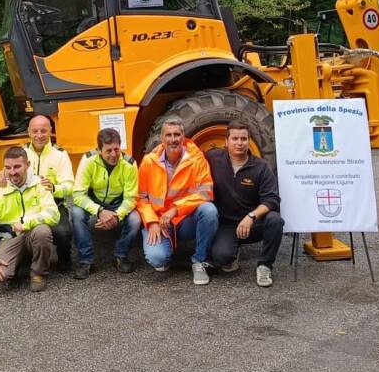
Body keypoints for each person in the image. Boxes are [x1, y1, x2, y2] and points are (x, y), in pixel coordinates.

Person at [137, 118, 218, 285]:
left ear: (183, 137)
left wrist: (175, 209)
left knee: (209, 211)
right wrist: (152, 222)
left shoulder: (197, 159)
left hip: (184, 220)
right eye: (168, 135)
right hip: (159, 221)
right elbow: (141, 198)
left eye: (177, 134)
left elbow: (206, 193)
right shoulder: (148, 162)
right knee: (157, 258)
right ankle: (165, 250)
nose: (173, 139)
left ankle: (198, 261)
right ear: (161, 138)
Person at [206, 121, 284, 288]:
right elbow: (189, 155)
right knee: (221, 258)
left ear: (249, 141)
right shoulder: (213, 158)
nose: (239, 143)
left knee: (275, 220)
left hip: (253, 223)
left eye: (244, 138)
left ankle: (265, 265)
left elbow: (272, 199)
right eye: (235, 138)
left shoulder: (261, 166)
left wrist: (251, 216)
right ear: (226, 142)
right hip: (227, 224)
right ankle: (232, 252)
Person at [0, 147, 59, 292]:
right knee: (2, 275)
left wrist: (27, 222)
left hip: (32, 233)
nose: (12, 172)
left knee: (42, 232)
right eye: (8, 167)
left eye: (17, 166)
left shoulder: (40, 184)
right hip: (9, 240)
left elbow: (53, 214)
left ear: (28, 165)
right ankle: (20, 260)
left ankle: (38, 273)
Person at [0, 115, 74, 269]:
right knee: (19, 231)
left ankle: (64, 258)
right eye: (35, 131)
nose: (39, 135)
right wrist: (0, 180)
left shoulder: (60, 155)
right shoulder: (21, 153)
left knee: (64, 233)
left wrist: (54, 188)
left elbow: (70, 187)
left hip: (53, 205)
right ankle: (25, 258)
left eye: (43, 131)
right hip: (25, 206)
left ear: (51, 131)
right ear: (29, 132)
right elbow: (7, 175)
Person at [70, 128, 140, 279]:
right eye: (108, 150)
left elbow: (131, 198)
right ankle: (86, 261)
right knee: (76, 213)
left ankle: (121, 256)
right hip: (94, 199)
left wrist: (116, 216)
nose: (114, 155)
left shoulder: (129, 164)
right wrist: (100, 211)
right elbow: (77, 194)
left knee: (135, 220)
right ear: (98, 150)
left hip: (118, 202)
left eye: (116, 149)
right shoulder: (88, 160)